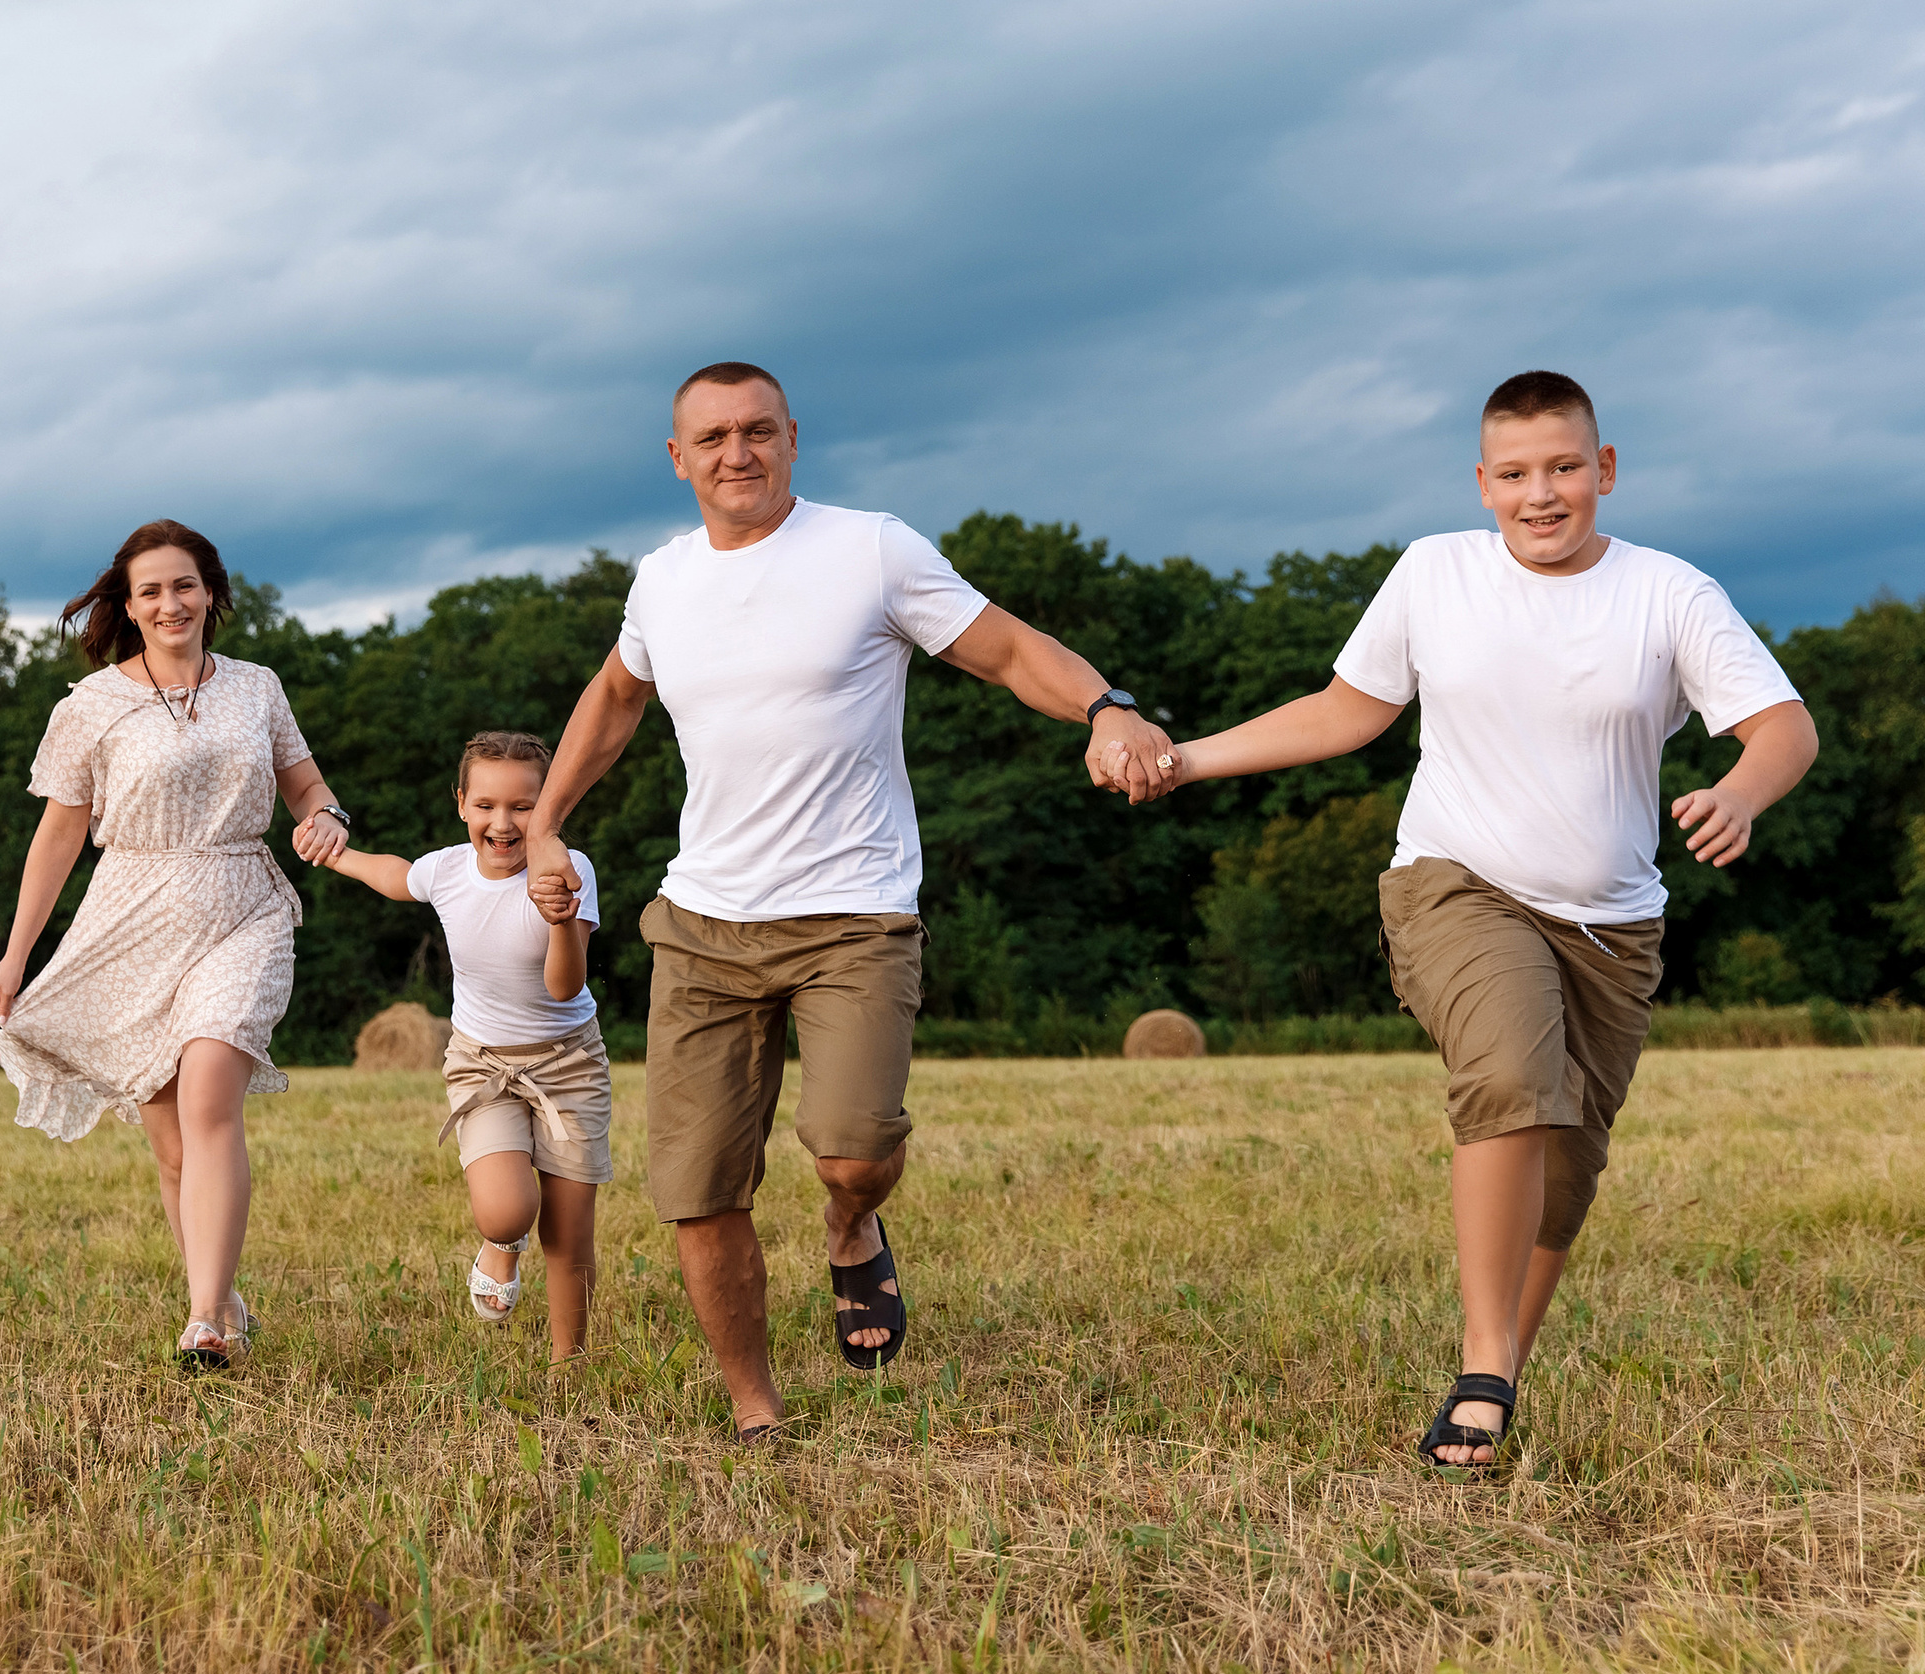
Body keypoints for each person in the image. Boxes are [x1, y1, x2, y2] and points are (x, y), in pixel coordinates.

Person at [1157, 371, 1818, 1468]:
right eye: (1515, 474)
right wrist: (1188, 760)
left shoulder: (1668, 594)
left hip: (1612, 925)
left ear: (1604, 471)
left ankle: (1501, 1367)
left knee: (1566, 1165)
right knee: (1513, 1075)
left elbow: (1782, 727)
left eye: (1564, 467)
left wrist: (1739, 793)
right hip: (1453, 885)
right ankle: (1477, 1362)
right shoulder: (1434, 573)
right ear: (1482, 484)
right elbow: (1347, 710)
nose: (1541, 493)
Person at [524, 360, 1179, 1442]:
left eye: (758, 431)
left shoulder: (869, 549)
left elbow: (1009, 648)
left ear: (791, 439)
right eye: (715, 437)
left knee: (854, 1150)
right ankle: (756, 1410)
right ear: (678, 458)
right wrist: (546, 819)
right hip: (703, 921)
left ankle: (850, 1227)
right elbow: (614, 696)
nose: (739, 453)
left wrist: (1106, 706)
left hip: (853, 913)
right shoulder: (662, 581)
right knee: (696, 1189)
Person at [0, 519, 352, 1369]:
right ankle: (220, 1296)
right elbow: (59, 836)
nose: (170, 602)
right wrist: (14, 955)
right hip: (133, 916)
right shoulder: (91, 707)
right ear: (130, 605)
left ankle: (204, 1321)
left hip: (239, 904)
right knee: (173, 1144)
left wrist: (324, 815)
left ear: (211, 593)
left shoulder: (257, 686)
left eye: (184, 584)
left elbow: (304, 780)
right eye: (151, 590)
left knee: (211, 1089)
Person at [328, 731, 611, 1360]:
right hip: (481, 1061)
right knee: (507, 1210)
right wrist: (336, 855)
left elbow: (566, 988)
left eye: (524, 806)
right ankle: (503, 1246)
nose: (503, 823)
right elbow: (398, 877)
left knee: (568, 1234)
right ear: (462, 804)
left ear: (552, 808)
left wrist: (562, 920)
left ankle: (570, 1359)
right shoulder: (448, 870)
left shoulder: (569, 870)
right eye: (486, 805)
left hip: (568, 1062)